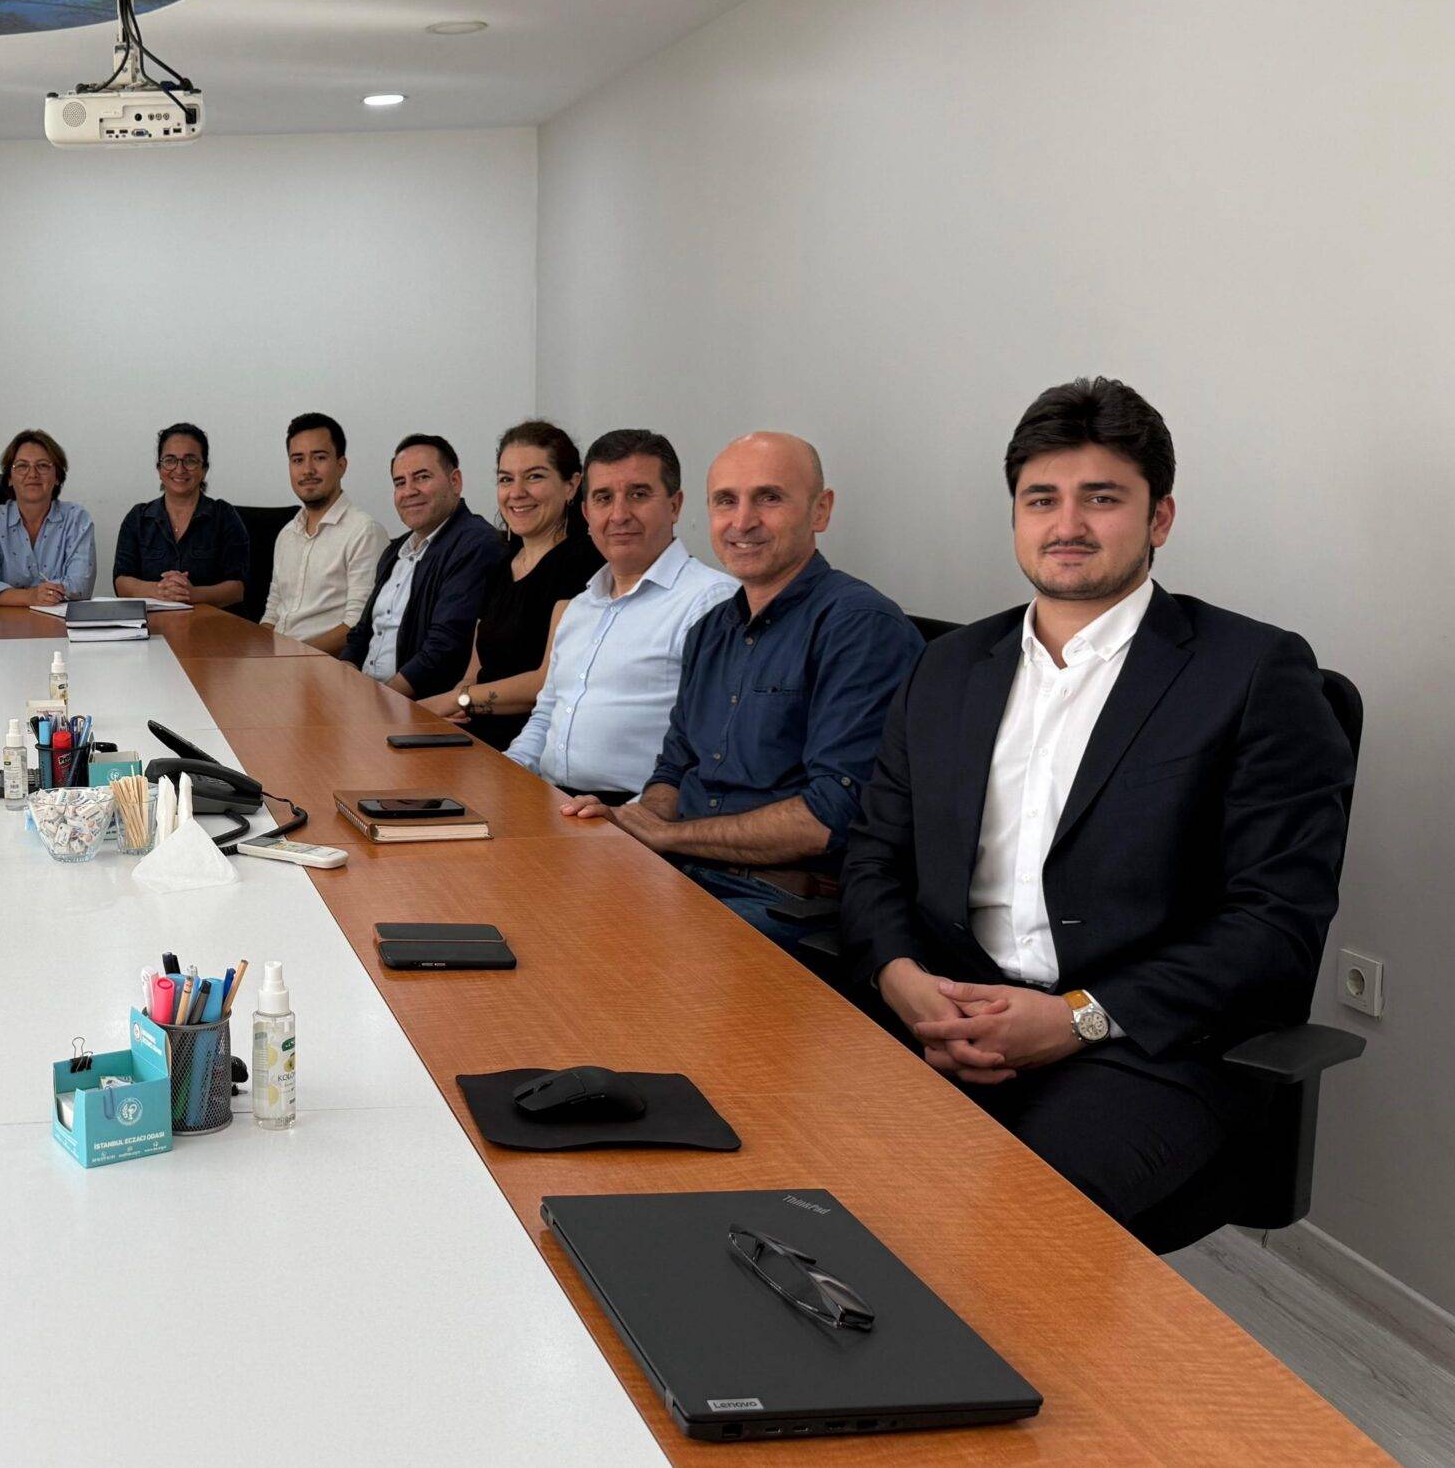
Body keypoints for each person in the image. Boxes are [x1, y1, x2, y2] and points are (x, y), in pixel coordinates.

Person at [840, 379, 1353, 1228]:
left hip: (1144, 1046)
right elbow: (875, 853)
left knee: (1002, 1230)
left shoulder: (1252, 672)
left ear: (1160, 518)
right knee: (787, 1147)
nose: (1067, 523)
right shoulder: (948, 666)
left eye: (1102, 498)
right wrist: (902, 980)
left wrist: (1075, 1019)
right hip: (947, 1010)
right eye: (1041, 499)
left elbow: (1278, 921)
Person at [598, 432, 923, 962]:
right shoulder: (709, 630)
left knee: (617, 959)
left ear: (821, 510)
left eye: (768, 498)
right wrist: (638, 823)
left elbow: (830, 816)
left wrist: (669, 838)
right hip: (684, 872)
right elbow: (675, 769)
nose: (742, 521)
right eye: (725, 501)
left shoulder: (860, 627)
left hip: (785, 902)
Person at [508, 430, 737, 803]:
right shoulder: (581, 607)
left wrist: (628, 819)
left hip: (635, 813)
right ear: (587, 513)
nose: (619, 515)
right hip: (551, 803)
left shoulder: (710, 603)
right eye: (603, 498)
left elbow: (709, 749)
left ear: (675, 505)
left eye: (638, 494)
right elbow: (546, 714)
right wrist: (505, 773)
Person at [417, 421, 602, 747]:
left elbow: (545, 681)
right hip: (475, 737)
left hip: (532, 746)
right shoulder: (502, 563)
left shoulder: (583, 563)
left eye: (534, 476)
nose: (516, 493)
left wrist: (455, 700)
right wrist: (454, 710)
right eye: (506, 479)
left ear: (572, 486)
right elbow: (474, 672)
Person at [338, 435, 507, 698]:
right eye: (400, 482)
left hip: (416, 705)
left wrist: (380, 702)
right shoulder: (395, 550)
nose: (409, 491)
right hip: (368, 694)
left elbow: (445, 647)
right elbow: (362, 632)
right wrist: (344, 676)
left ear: (455, 482)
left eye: (422, 477)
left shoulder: (475, 543)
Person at [258, 412, 387, 655]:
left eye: (319, 457)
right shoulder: (286, 534)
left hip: (322, 666)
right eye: (297, 460)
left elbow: (357, 625)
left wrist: (291, 656)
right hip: (279, 661)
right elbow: (272, 613)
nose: (307, 470)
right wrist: (257, 652)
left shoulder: (364, 532)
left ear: (341, 466)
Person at [111, 423, 250, 607]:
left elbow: (237, 589)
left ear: (204, 469)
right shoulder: (138, 518)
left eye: (190, 461)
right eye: (170, 460)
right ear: (159, 468)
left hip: (210, 621)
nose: (179, 469)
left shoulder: (224, 516)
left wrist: (192, 594)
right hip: (153, 622)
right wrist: (160, 590)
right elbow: (121, 582)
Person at [0, 428, 96, 607]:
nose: (32, 474)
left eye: (43, 466)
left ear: (57, 477)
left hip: (57, 622)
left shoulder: (76, 518)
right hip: (1, 621)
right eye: (22, 466)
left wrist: (35, 595)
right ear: (9, 478)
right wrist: (30, 597)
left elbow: (81, 586)